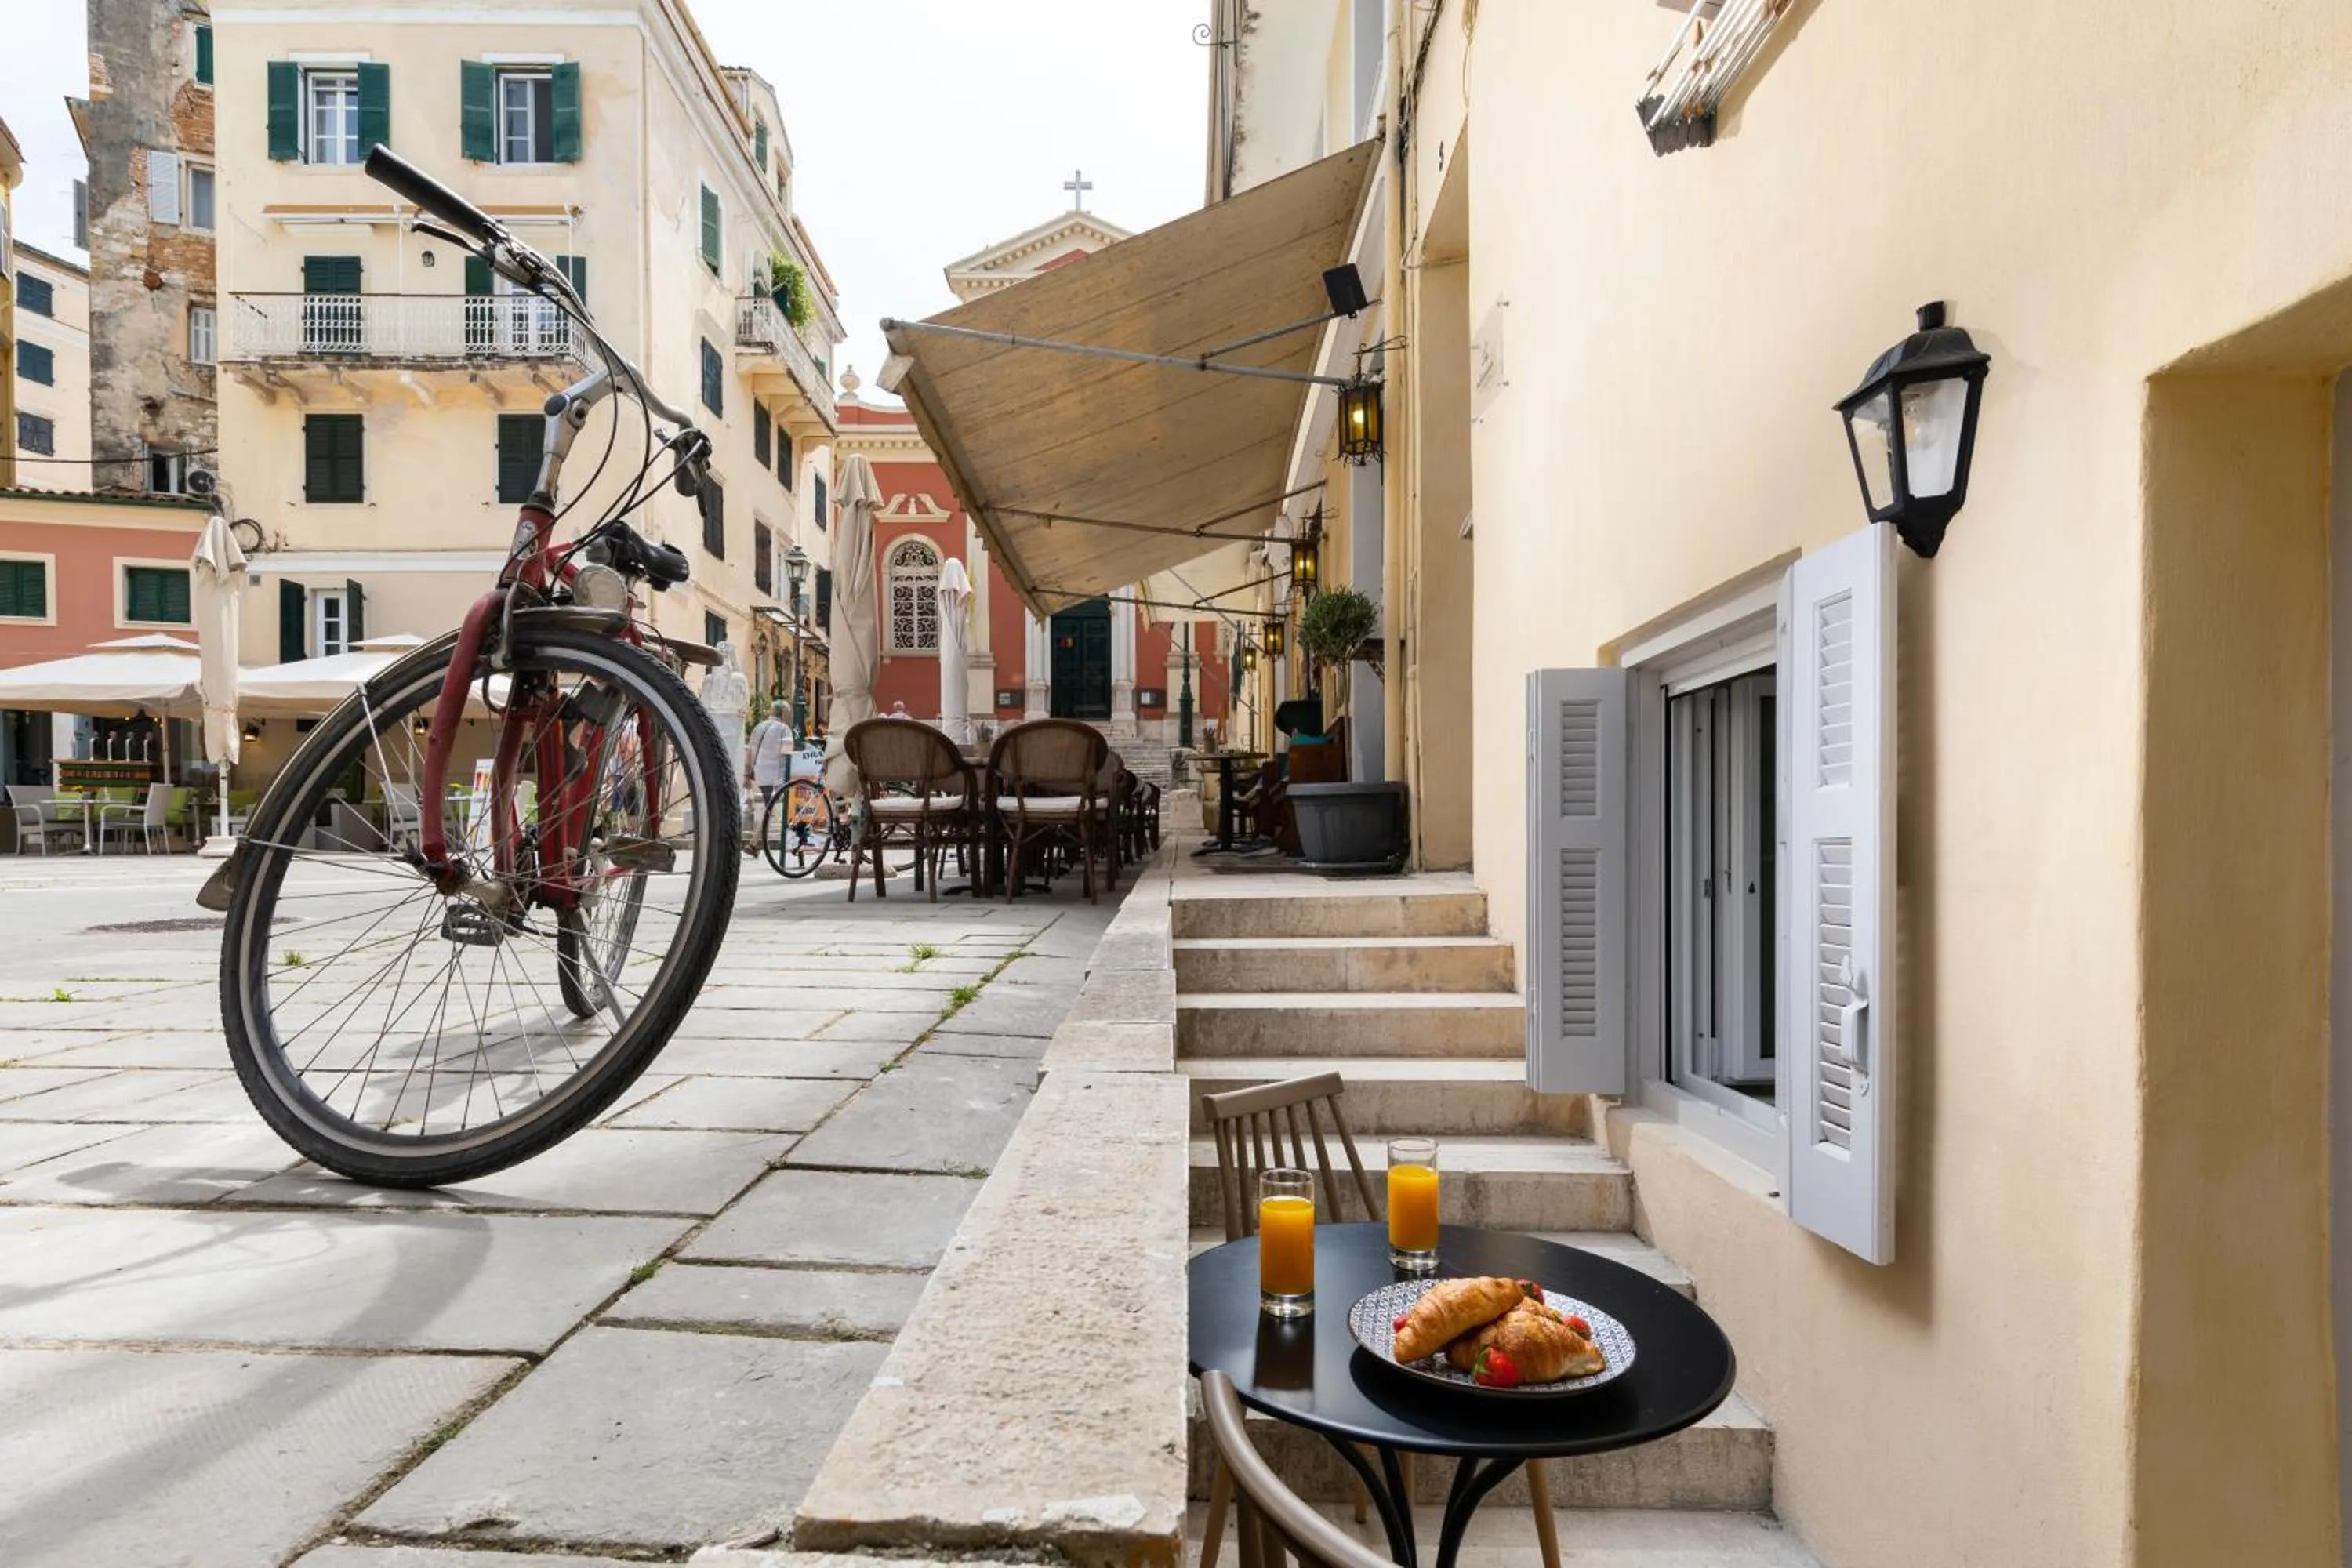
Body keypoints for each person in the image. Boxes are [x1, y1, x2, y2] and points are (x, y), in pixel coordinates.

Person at [746, 701, 796, 814]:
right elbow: (787, 751)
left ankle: (769, 816)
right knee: (781, 804)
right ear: (783, 713)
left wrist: (747, 771)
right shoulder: (784, 728)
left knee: (768, 801)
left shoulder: (758, 727)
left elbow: (750, 751)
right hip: (778, 772)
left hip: (761, 770)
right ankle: (775, 820)